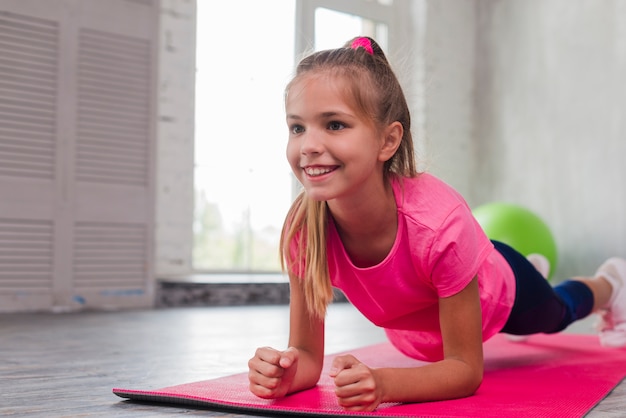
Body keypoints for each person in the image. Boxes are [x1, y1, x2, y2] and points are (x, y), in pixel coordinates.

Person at [247, 36, 626, 412]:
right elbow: (310, 356)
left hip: (498, 297)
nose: (308, 145)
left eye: (333, 125)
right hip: (427, 325)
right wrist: (287, 372)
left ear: (388, 140)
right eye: (297, 128)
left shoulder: (439, 226)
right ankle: (513, 266)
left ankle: (609, 283)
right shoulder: (304, 230)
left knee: (557, 313)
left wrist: (384, 383)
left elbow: (465, 370)